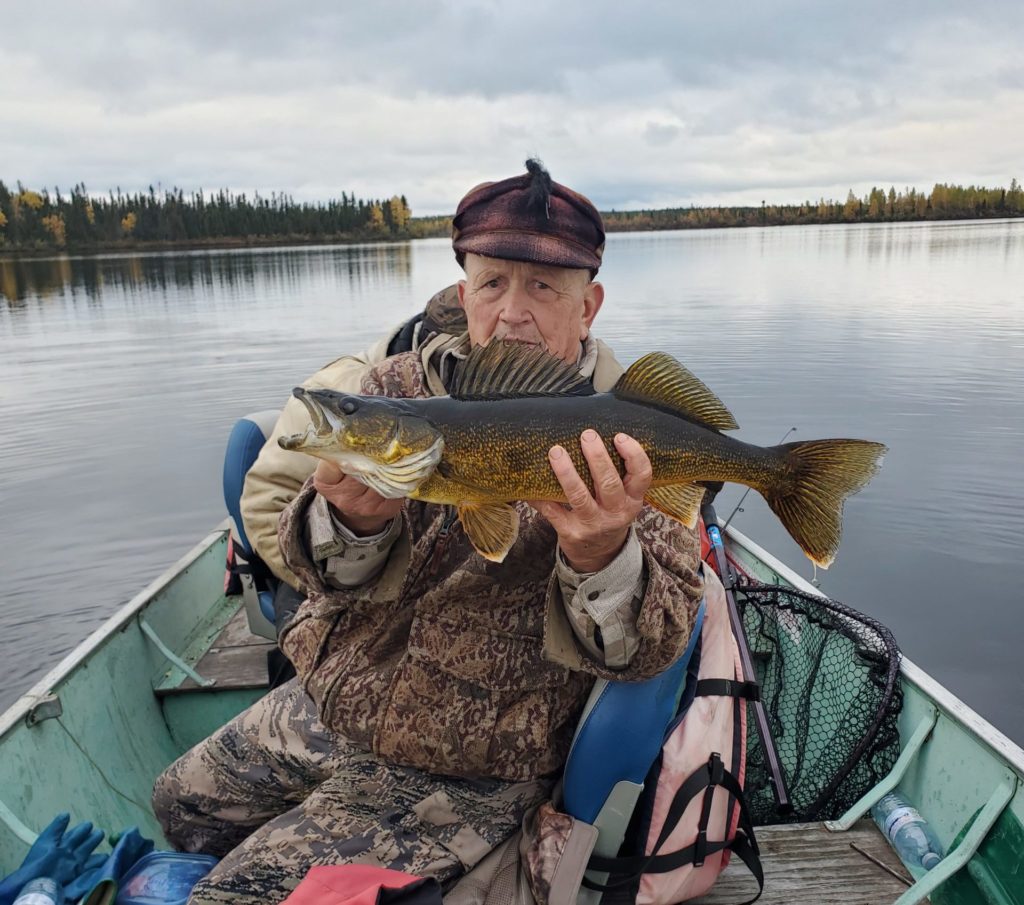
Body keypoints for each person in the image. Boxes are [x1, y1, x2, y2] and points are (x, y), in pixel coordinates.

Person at [151, 160, 704, 905]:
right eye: (493, 283)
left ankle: (456, 859)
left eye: (544, 286)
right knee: (178, 804)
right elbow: (312, 569)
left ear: (589, 303)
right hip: (334, 704)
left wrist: (601, 554)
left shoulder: (626, 433)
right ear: (461, 289)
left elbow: (652, 646)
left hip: (469, 761)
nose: (513, 311)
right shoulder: (390, 393)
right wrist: (348, 521)